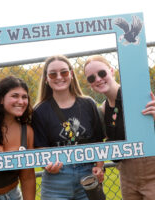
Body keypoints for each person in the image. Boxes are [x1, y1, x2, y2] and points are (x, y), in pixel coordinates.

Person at [84, 55, 155, 200]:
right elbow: (101, 141)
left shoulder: (136, 95)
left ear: (111, 71)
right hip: (127, 173)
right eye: (91, 78)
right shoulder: (104, 109)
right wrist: (99, 166)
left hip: (154, 168)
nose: (98, 79)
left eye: (102, 73)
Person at [32, 55, 106, 200]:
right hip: (57, 179)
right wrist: (48, 164)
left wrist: (99, 166)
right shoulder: (39, 111)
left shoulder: (88, 104)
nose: (59, 77)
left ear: (71, 74)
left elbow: (98, 141)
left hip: (88, 174)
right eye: (53, 74)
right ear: (46, 79)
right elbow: (40, 147)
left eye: (64, 72)